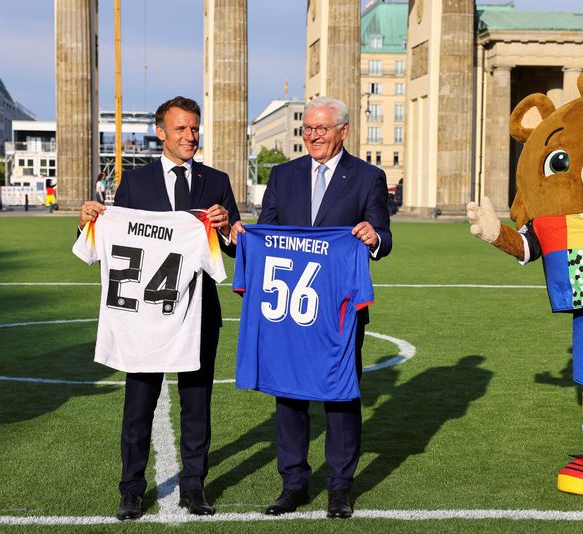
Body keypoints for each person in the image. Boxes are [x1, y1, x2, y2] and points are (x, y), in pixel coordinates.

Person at [79, 96, 240, 520]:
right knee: (138, 404)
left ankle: (194, 487)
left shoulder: (217, 181)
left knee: (196, 404)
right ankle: (131, 489)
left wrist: (227, 230)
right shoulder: (136, 184)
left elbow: (236, 245)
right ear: (161, 132)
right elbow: (113, 241)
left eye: (195, 128)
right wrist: (88, 221)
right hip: (145, 316)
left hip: (198, 312)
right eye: (182, 129)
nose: (191, 136)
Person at [232, 96, 392, 519]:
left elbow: (384, 234)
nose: (313, 136)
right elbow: (267, 232)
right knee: (289, 396)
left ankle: (340, 486)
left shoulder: (368, 177)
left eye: (321, 129)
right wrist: (243, 236)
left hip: (338, 311)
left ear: (343, 130)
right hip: (289, 310)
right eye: (307, 128)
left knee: (340, 397)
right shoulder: (283, 176)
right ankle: (294, 484)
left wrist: (372, 237)